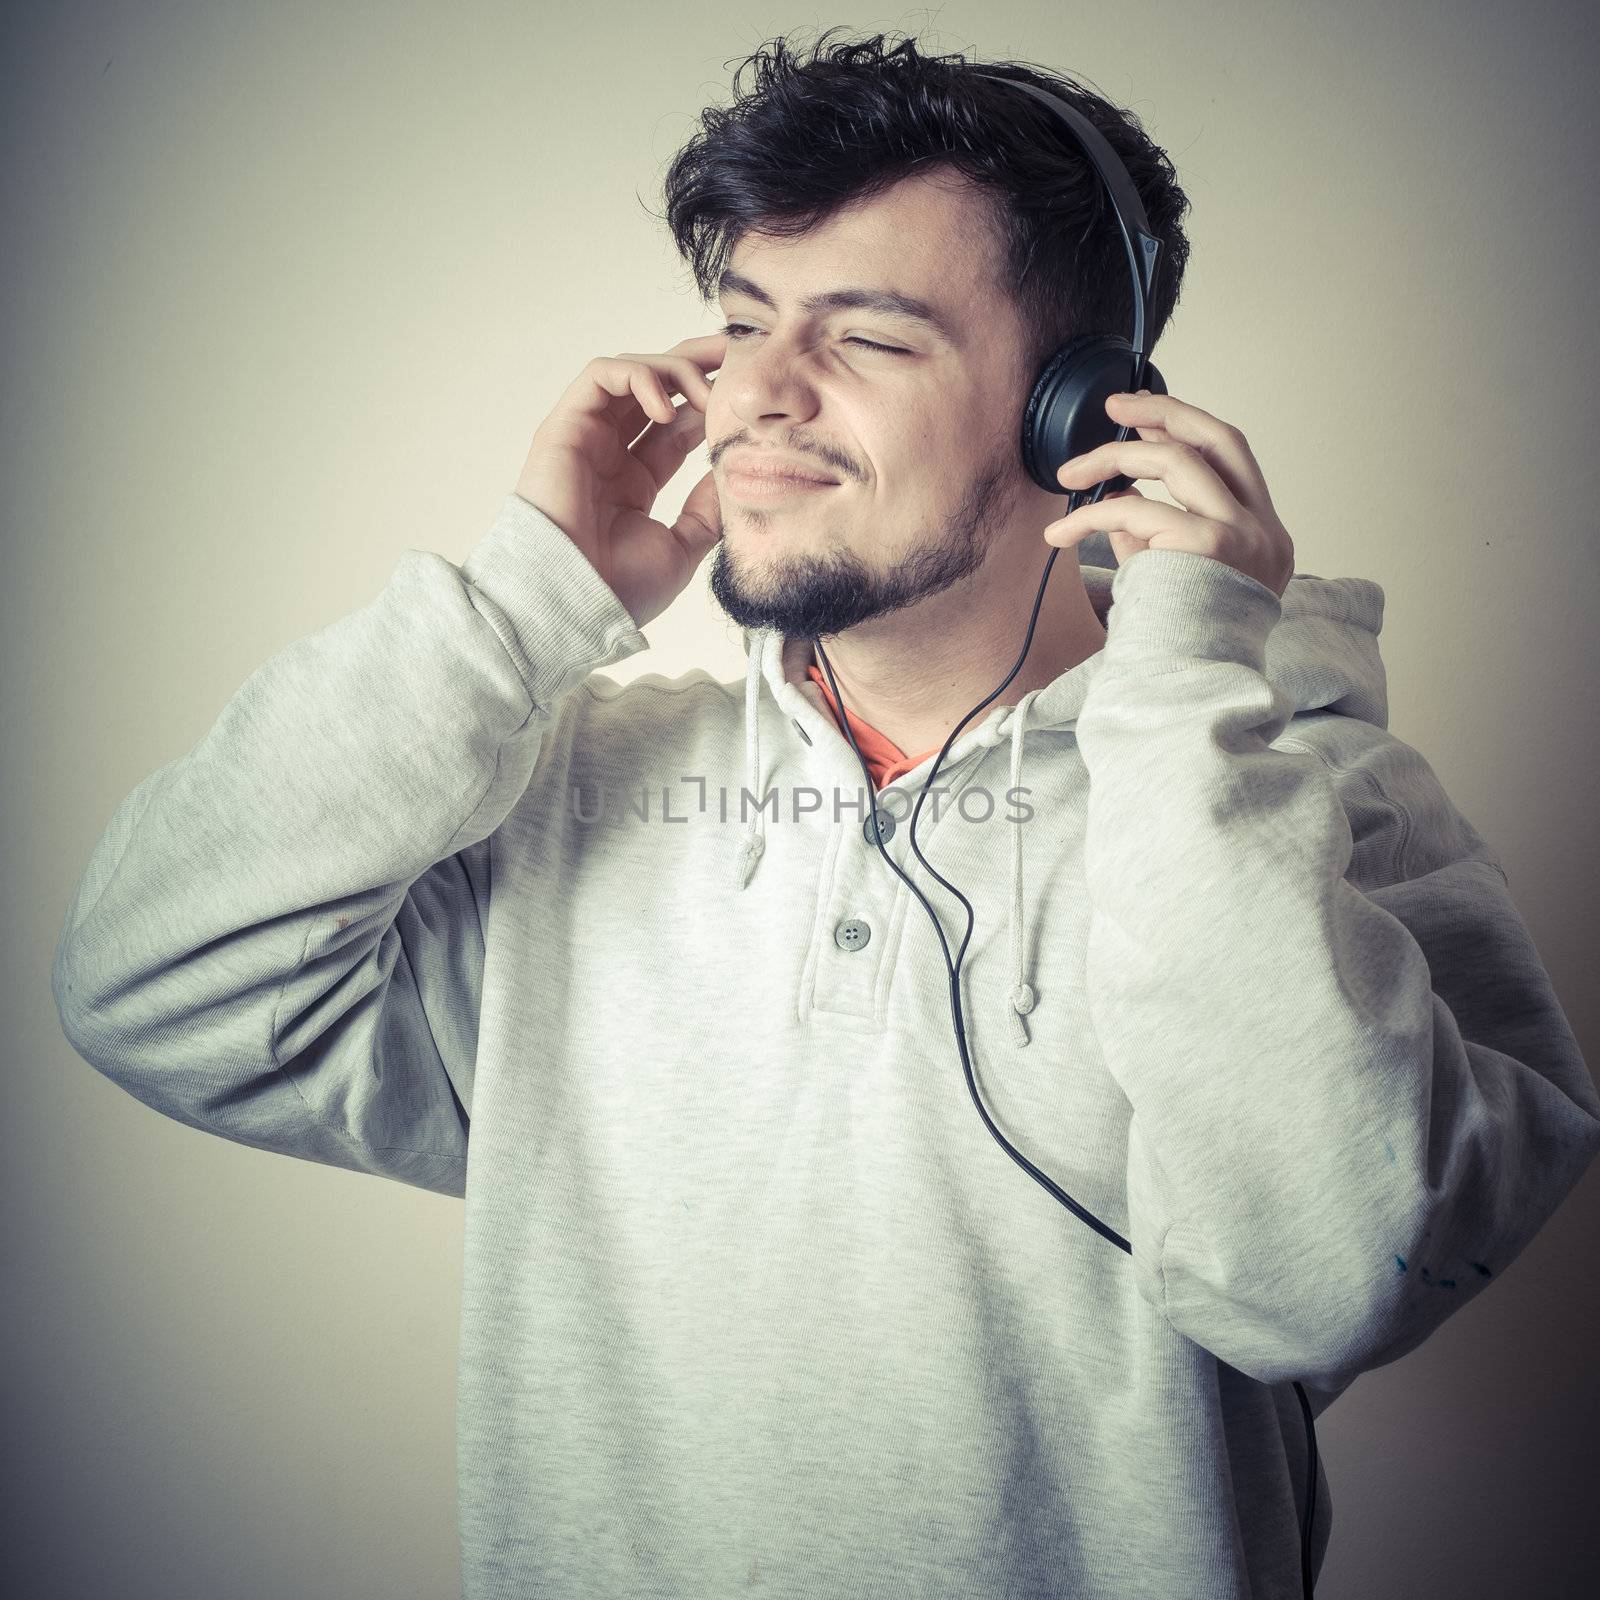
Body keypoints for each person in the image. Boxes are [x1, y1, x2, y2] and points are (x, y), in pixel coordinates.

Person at [51, 29, 1600, 1600]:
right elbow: (150, 983)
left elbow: (1324, 1284)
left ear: (1088, 418)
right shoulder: (569, 789)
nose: (755, 398)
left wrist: (1192, 689)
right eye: (738, 324)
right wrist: (530, 594)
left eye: (867, 338)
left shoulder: (1305, 801)